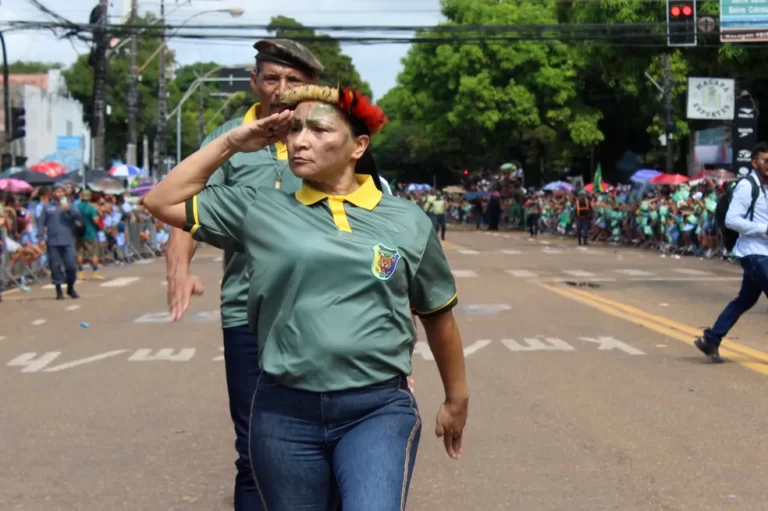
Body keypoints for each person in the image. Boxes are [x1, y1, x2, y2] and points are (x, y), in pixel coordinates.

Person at [144, 84, 469, 510]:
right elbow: (160, 199)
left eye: (318, 129)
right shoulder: (261, 208)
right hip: (283, 413)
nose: (300, 140)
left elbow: (437, 314)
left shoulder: (406, 220)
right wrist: (233, 142)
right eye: (295, 129)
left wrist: (456, 398)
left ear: (358, 146)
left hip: (377, 409)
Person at [163, 39, 323, 511]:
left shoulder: (328, 137)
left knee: (319, 444)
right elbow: (183, 206)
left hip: (322, 315)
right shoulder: (228, 140)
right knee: (253, 451)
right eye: (272, 78)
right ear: (255, 83)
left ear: (313, 87)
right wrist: (179, 268)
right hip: (247, 315)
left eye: (294, 81)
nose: (282, 89)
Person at [696, 143, 768, 363]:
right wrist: (763, 230)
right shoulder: (747, 186)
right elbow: (732, 220)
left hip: (764, 252)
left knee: (745, 299)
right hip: (753, 252)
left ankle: (711, 338)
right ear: (755, 163)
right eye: (766, 160)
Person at [38, 184, 81, 300]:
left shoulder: (71, 206)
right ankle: (58, 290)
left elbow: (78, 218)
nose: (60, 194)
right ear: (53, 193)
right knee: (55, 266)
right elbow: (41, 223)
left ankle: (70, 288)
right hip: (53, 241)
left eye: (62, 192)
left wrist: (69, 210)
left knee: (71, 266)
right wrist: (41, 238)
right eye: (57, 191)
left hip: (67, 241)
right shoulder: (47, 207)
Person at [75, 189, 105, 281]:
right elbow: (95, 220)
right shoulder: (91, 208)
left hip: (78, 233)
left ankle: (80, 272)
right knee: (94, 253)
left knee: (80, 253)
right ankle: (95, 272)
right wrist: (101, 224)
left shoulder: (76, 206)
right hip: (90, 233)